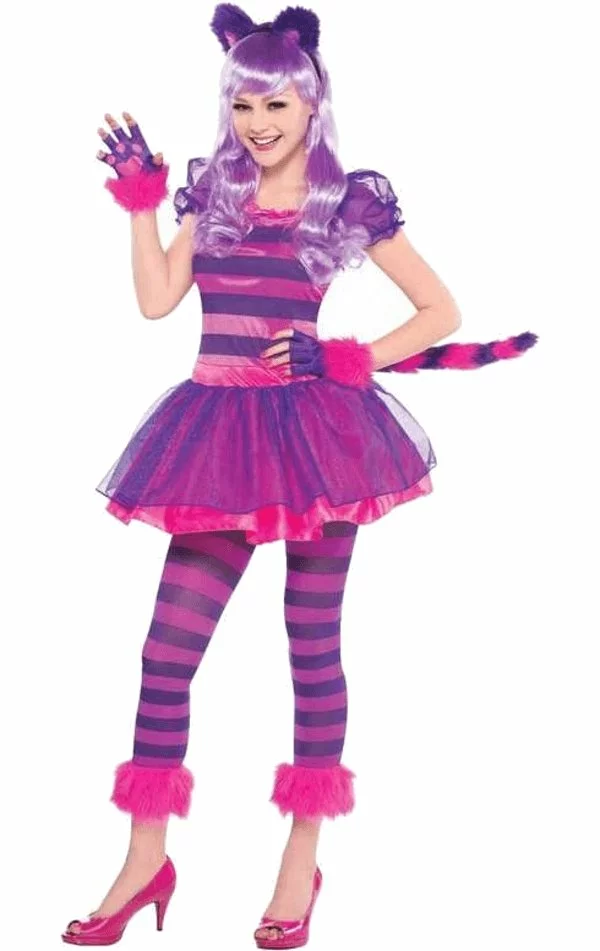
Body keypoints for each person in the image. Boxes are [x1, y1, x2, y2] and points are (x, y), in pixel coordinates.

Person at [61, 4, 536, 948]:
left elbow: (439, 310)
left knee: (309, 644)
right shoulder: (212, 192)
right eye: (242, 105)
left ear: (312, 102)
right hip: (213, 433)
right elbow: (157, 301)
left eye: (275, 103)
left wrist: (343, 357)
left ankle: (301, 855)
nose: (258, 123)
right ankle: (145, 857)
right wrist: (143, 200)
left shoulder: (345, 201)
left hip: (315, 443)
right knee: (165, 653)